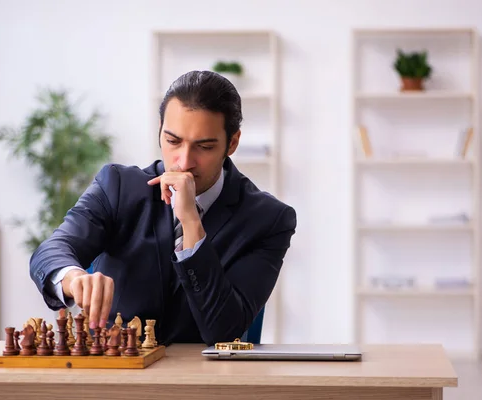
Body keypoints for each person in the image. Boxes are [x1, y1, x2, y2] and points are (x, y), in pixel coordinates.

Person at [29, 70, 297, 346]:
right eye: (173, 141)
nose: (183, 162)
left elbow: (224, 331)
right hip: (117, 373)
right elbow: (50, 251)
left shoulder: (269, 219)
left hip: (205, 382)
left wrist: (191, 223)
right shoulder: (119, 186)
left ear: (232, 143)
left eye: (203, 147)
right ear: (160, 130)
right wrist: (73, 278)